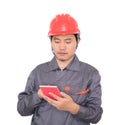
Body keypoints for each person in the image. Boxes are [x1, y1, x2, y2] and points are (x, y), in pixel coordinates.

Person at [17, 13, 103, 125]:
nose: (62, 47)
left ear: (78, 41)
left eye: (68, 41)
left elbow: (96, 116)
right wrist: (38, 95)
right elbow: (22, 110)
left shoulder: (90, 73)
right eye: (57, 41)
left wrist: (74, 108)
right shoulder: (38, 72)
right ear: (51, 42)